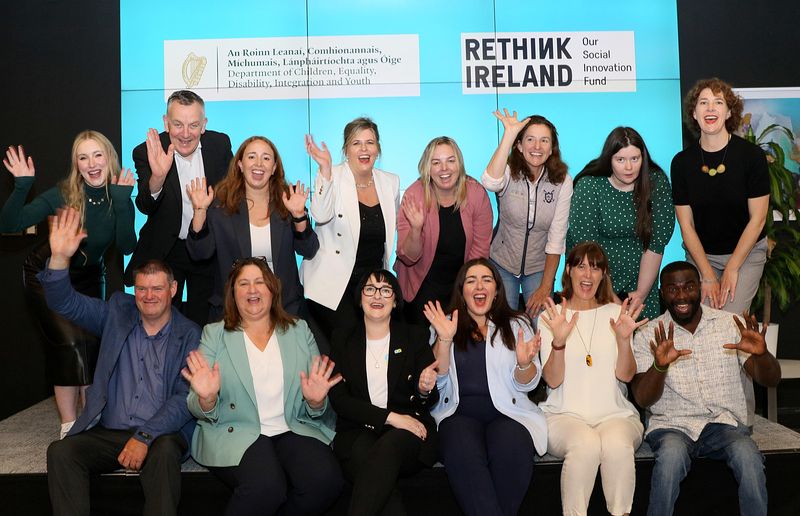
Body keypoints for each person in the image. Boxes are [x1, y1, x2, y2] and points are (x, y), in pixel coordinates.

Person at [41, 207, 200, 516]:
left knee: (166, 451)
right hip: (109, 430)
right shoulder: (117, 312)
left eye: (157, 288)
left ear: (173, 289)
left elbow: (184, 399)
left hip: (159, 434)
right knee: (62, 452)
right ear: (134, 290)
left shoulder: (190, 333)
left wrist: (144, 437)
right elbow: (64, 303)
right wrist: (59, 258)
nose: (149, 295)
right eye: (141, 288)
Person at [183, 257, 344, 516]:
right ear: (232, 293)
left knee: (326, 482)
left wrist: (315, 402)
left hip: (292, 426)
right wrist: (207, 398)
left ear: (272, 289)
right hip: (237, 430)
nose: (252, 290)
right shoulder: (214, 334)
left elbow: (318, 402)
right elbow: (195, 403)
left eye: (259, 282)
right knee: (266, 487)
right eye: (243, 283)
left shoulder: (299, 330)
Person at [1, 131, 136, 437]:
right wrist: (22, 186)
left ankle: (91, 420)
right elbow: (9, 224)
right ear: (76, 164)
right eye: (83, 157)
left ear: (109, 158)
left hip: (90, 277)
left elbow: (127, 245)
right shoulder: (63, 193)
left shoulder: (119, 193)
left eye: (97, 155)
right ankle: (68, 424)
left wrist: (123, 203)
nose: (92, 163)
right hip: (48, 273)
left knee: (93, 347)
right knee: (71, 344)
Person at [631, 261, 781, 516]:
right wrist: (659, 366)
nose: (681, 296)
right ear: (661, 292)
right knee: (669, 461)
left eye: (688, 287)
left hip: (723, 424)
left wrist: (762, 354)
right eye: (672, 289)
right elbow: (643, 398)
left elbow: (771, 379)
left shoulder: (730, 324)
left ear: (699, 288)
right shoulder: (648, 334)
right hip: (672, 426)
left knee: (749, 456)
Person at [424, 257, 546, 516]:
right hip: (457, 415)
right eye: (471, 280)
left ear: (497, 290)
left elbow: (529, 384)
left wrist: (524, 365)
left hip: (508, 414)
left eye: (486, 280)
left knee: (513, 450)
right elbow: (439, 380)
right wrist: (444, 339)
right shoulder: (444, 324)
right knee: (461, 452)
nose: (479, 286)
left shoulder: (517, 325)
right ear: (462, 291)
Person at [538, 242, 645, 516]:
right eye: (581, 266)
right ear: (569, 271)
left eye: (595, 268)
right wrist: (559, 343)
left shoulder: (616, 314)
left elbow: (626, 375)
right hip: (563, 416)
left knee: (617, 446)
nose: (588, 275)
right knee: (585, 445)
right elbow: (551, 380)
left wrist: (623, 340)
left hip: (615, 415)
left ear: (603, 275)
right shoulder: (550, 317)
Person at [328, 268, 439, 515]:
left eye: (386, 290)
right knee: (381, 486)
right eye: (370, 289)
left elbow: (430, 397)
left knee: (388, 447)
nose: (377, 296)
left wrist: (423, 389)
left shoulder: (414, 336)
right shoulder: (342, 339)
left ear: (396, 300)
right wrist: (391, 418)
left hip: (410, 433)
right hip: (360, 430)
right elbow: (339, 400)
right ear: (359, 298)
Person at [126, 89, 233, 327]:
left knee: (204, 322)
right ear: (166, 123)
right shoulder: (146, 151)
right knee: (161, 324)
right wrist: (158, 177)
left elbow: (234, 192)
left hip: (206, 247)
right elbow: (145, 205)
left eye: (193, 125)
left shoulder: (220, 145)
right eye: (177, 124)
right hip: (166, 249)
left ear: (203, 125)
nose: (185, 134)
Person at [185, 135, 319, 325]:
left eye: (266, 158)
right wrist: (199, 211)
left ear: (274, 168)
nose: (259, 164)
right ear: (239, 164)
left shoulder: (289, 201)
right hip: (233, 312)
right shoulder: (220, 205)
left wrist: (298, 215)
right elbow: (199, 253)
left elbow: (308, 250)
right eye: (251, 157)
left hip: (284, 310)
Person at [671, 78, 769, 315]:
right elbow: (686, 225)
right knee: (700, 320)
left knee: (727, 320)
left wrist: (733, 268)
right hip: (701, 256)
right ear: (694, 114)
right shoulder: (682, 163)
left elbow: (758, 219)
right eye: (703, 102)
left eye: (718, 102)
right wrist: (706, 274)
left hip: (746, 255)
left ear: (728, 112)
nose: (711, 108)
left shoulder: (752, 157)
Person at [302, 117, 400, 340]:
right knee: (347, 350)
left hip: (371, 286)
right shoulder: (332, 175)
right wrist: (325, 170)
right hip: (332, 286)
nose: (364, 149)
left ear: (378, 149)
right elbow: (320, 215)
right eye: (356, 143)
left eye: (370, 142)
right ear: (346, 149)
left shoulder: (390, 182)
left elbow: (389, 233)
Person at [567, 127, 675, 320]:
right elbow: (587, 249)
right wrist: (613, 301)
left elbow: (656, 244)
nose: (629, 167)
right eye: (620, 160)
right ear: (609, 159)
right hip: (594, 283)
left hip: (642, 284)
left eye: (635, 159)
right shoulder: (589, 185)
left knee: (642, 345)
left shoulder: (656, 182)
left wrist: (641, 294)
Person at [482, 109, 573, 316]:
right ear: (520, 146)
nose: (537, 147)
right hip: (502, 262)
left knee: (541, 325)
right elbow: (490, 181)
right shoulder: (507, 171)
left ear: (552, 149)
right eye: (530, 139)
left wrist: (545, 287)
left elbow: (557, 237)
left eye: (544, 141)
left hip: (539, 267)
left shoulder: (562, 181)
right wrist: (509, 134)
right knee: (504, 325)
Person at [396, 136, 492, 325]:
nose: (444, 169)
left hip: (461, 284)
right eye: (436, 163)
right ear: (427, 168)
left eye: (450, 161)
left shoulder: (475, 193)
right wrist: (416, 229)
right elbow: (407, 257)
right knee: (422, 349)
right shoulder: (414, 195)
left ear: (460, 164)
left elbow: (480, 252)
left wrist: (468, 291)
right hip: (421, 285)